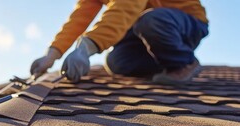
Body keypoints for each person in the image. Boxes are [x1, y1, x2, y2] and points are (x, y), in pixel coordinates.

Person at [30, 0, 209, 84]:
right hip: (144, 27)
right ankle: (163, 63)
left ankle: (183, 63)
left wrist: (87, 47)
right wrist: (52, 54)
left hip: (185, 25)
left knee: (151, 21)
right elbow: (79, 19)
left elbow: (123, 10)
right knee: (116, 61)